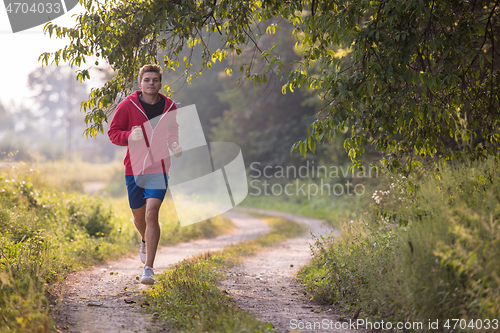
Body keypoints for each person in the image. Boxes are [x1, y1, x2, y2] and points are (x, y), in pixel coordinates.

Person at [108, 64, 182, 285]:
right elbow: (113, 133)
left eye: (155, 80)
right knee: (139, 218)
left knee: (151, 215)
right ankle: (144, 239)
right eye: (147, 80)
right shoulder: (128, 105)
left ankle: (148, 269)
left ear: (160, 83)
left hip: (158, 167)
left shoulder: (169, 106)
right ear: (140, 84)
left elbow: (172, 129)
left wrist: (174, 143)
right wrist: (130, 136)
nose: (151, 83)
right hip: (134, 169)